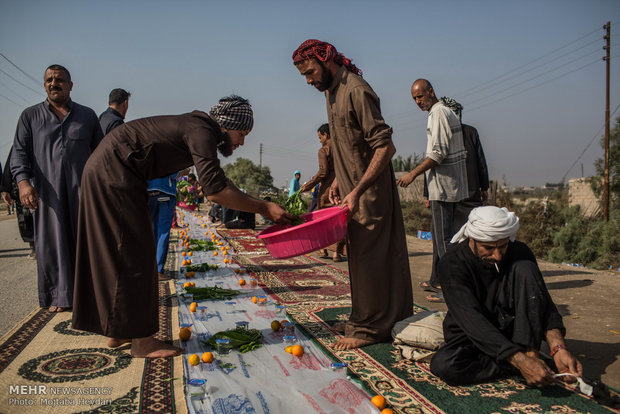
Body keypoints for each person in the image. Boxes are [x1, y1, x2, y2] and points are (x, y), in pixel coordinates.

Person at [72, 95, 293, 358]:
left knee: (121, 253)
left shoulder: (199, 128)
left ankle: (118, 330)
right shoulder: (201, 131)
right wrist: (263, 208)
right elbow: (215, 191)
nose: (242, 142)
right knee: (137, 255)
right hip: (114, 175)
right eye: (241, 133)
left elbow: (219, 180)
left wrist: (262, 204)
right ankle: (142, 341)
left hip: (109, 171)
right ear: (227, 124)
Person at [293, 39, 413, 350]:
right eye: (304, 76)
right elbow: (349, 147)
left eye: (309, 72)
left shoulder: (357, 90)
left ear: (325, 60)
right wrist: (336, 182)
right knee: (359, 260)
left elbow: (385, 147)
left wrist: (357, 188)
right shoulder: (332, 92)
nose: (308, 81)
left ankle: (372, 330)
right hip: (349, 191)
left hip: (369, 195)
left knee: (372, 260)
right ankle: (363, 319)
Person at [430, 206, 583, 386]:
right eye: (488, 248)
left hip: (514, 332)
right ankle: (525, 365)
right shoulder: (452, 263)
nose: (497, 255)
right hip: (473, 336)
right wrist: (521, 361)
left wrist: (558, 348)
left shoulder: (519, 252)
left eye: (502, 247)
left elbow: (542, 304)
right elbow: (472, 321)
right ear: (472, 239)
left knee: (526, 268)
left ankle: (531, 359)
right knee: (445, 365)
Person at [11, 64, 103, 312]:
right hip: (47, 194)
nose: (54, 83)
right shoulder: (30, 117)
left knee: (87, 242)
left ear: (70, 85)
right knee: (53, 245)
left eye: (59, 79)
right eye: (49, 80)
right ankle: (58, 298)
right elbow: (19, 154)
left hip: (83, 192)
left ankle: (90, 294)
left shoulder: (87, 116)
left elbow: (101, 153)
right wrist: (23, 184)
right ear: (44, 85)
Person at [397, 79, 468, 301]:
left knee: (444, 240)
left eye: (420, 96)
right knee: (439, 238)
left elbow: (437, 154)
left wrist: (412, 174)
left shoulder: (438, 113)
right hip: (448, 185)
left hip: (444, 187)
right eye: (415, 99)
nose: (418, 101)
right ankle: (437, 280)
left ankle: (453, 290)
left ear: (431, 92)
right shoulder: (444, 112)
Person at [421, 97, 490, 303]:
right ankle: (438, 279)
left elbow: (435, 161)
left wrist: (484, 186)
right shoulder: (456, 129)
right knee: (444, 236)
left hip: (459, 192)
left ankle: (456, 283)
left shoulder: (463, 130)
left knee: (448, 237)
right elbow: (433, 162)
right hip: (458, 191)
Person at [299, 123, 345, 262]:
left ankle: (322, 248)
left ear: (326, 135)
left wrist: (308, 185)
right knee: (339, 222)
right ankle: (337, 253)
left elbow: (323, 172)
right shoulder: (341, 149)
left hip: (326, 191)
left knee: (322, 222)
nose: (319, 140)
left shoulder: (323, 150)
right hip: (341, 189)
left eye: (320, 137)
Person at [1, 147, 35, 258]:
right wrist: (5, 188)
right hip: (24, 186)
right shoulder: (20, 144)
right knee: (26, 218)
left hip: (45, 186)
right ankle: (33, 246)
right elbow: (11, 164)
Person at [148, 173, 178, 281]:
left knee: (151, 230)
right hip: (166, 191)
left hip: (149, 192)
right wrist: (184, 172)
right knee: (163, 231)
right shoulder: (170, 155)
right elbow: (174, 173)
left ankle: (149, 268)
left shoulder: (147, 155)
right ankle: (158, 270)